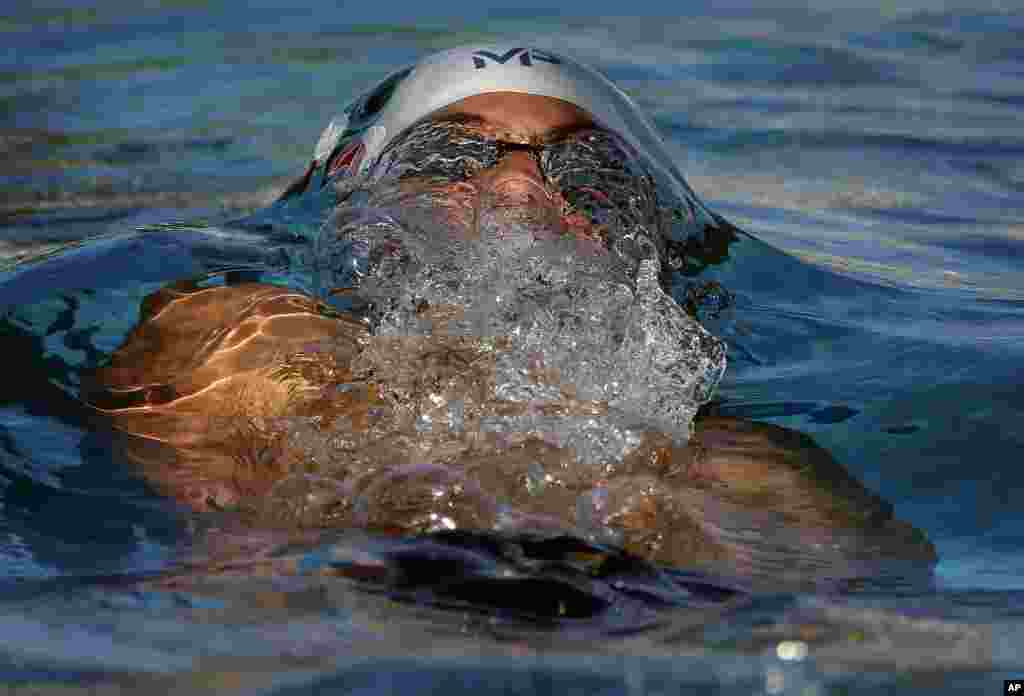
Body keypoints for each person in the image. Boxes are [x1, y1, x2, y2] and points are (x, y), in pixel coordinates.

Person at [86, 46, 934, 583]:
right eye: (449, 156)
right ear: (353, 206)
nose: (520, 190)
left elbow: (874, 635)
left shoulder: (741, 462)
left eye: (589, 174)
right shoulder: (240, 332)